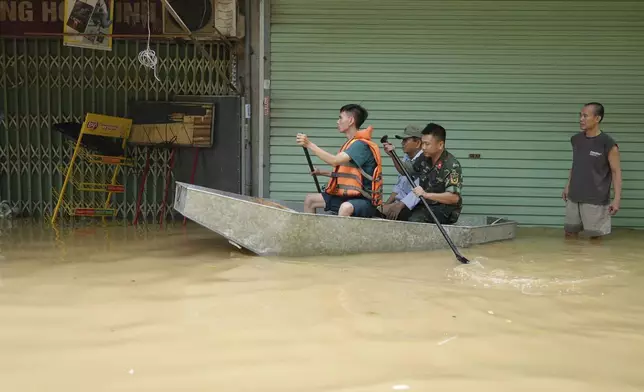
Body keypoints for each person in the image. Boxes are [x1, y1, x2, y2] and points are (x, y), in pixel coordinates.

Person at [296, 104, 383, 218]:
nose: (338, 121)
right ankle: (310, 234)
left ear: (351, 120)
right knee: (310, 200)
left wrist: (309, 144)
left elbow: (334, 161)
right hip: (347, 197)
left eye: (340, 118)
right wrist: (321, 172)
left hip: (363, 201)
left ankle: (339, 236)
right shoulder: (350, 143)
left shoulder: (360, 145)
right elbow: (348, 174)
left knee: (345, 207)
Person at [383, 122, 463, 224]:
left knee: (414, 219)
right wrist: (393, 155)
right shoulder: (424, 158)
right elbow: (406, 171)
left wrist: (426, 194)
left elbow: (454, 198)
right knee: (393, 214)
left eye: (427, 144)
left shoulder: (451, 165)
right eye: (423, 143)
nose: (423, 147)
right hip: (425, 205)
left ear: (440, 145)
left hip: (443, 210)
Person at [563, 102, 622, 239]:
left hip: (596, 199)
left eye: (585, 116)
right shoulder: (576, 140)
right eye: (580, 115)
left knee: (595, 239)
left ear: (597, 119)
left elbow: (616, 172)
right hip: (574, 196)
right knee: (569, 234)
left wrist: (617, 200)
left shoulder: (608, 143)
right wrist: (568, 186)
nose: (581, 119)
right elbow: (576, 164)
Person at [381, 124, 424, 220]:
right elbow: (399, 187)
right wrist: (386, 205)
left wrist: (399, 205)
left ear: (417, 143)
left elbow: (419, 189)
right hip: (401, 203)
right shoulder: (407, 158)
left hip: (415, 207)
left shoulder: (424, 160)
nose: (402, 143)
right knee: (377, 210)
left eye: (405, 140)